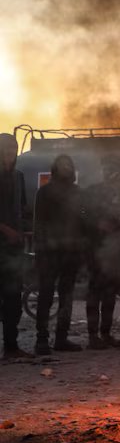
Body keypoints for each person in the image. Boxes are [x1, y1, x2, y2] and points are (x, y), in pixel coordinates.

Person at [33, 154, 87, 354]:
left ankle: (61, 339)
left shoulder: (77, 192)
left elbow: (83, 221)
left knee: (66, 296)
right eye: (62, 164)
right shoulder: (45, 192)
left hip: (70, 252)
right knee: (46, 295)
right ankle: (41, 340)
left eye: (68, 165)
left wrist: (81, 248)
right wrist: (40, 250)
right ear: (55, 168)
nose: (66, 167)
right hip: (50, 252)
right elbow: (39, 223)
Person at [81, 157, 120, 350]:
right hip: (96, 250)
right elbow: (82, 215)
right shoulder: (92, 192)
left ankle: (106, 333)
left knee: (110, 294)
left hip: (115, 251)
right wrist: (97, 224)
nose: (110, 173)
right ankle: (93, 336)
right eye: (107, 169)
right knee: (95, 291)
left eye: (113, 170)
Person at [1, 133, 32, 359]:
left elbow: (22, 209)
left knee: (13, 298)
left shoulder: (19, 176)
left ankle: (11, 347)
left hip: (13, 249)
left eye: (13, 147)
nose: (10, 151)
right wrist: (6, 230)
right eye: (6, 147)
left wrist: (24, 230)